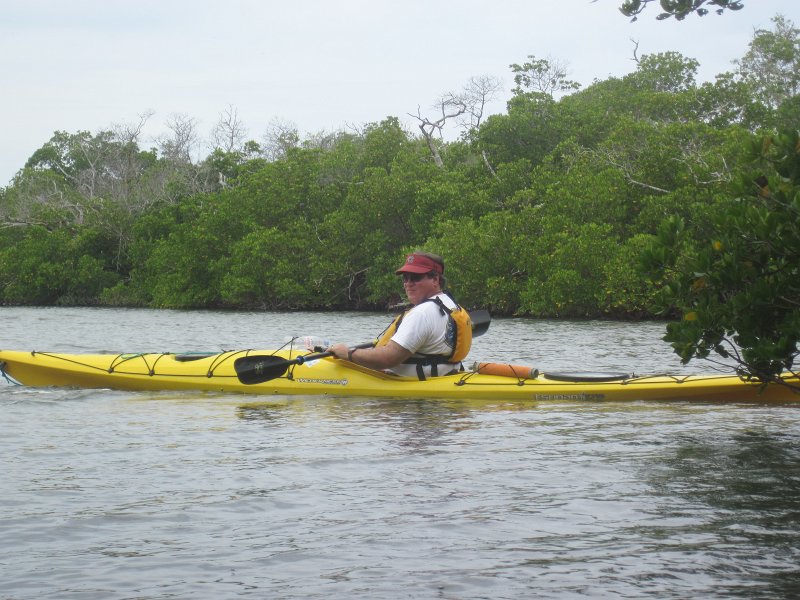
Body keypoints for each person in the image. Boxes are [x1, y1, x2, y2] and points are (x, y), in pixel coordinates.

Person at [328, 251, 472, 379]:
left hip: (414, 397)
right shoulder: (451, 305)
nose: (408, 283)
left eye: (415, 277)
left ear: (435, 279)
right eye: (405, 278)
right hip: (445, 378)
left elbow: (388, 358)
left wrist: (348, 353)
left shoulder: (422, 314)